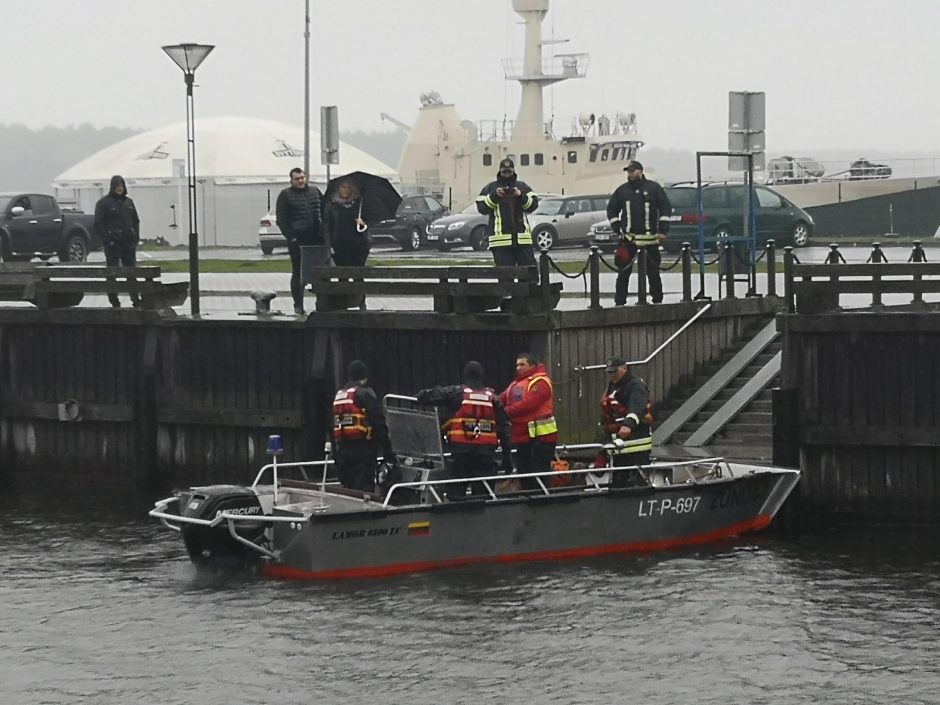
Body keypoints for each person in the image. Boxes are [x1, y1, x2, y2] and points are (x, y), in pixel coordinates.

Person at [416, 361, 513, 501]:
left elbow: (429, 395)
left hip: (461, 454)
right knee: (482, 498)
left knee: (456, 496)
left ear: (465, 376)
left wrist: (420, 396)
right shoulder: (494, 399)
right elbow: (504, 431)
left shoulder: (456, 393)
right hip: (485, 456)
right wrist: (507, 459)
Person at [606, 161, 672, 305]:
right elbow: (611, 210)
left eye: (632, 171)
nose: (629, 174)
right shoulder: (622, 191)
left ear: (640, 172)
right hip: (628, 241)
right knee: (623, 273)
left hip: (650, 242)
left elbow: (665, 208)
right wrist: (617, 228)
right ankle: (620, 302)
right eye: (628, 172)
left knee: (653, 273)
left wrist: (663, 231)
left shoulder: (654, 188)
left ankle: (657, 301)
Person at [331, 360, 397, 493]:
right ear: (365, 376)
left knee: (349, 492)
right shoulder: (365, 394)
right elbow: (379, 424)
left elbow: (333, 427)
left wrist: (335, 455)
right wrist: (388, 452)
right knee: (364, 492)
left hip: (342, 452)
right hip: (362, 452)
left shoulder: (339, 396)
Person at [499, 352, 557, 490]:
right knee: (524, 472)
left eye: (522, 364)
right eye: (517, 365)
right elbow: (501, 399)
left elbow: (528, 404)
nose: (518, 368)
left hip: (542, 437)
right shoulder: (514, 384)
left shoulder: (541, 382)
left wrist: (505, 412)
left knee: (539, 472)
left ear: (533, 365)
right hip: (522, 437)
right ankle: (528, 500)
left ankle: (541, 502)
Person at [595, 356, 654, 488]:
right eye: (609, 373)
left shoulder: (635, 385)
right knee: (619, 481)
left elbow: (637, 408)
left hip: (636, 444)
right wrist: (603, 449)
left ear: (624, 368)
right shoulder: (612, 387)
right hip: (619, 446)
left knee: (637, 482)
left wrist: (628, 425)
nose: (612, 376)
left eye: (614, 372)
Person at [275, 167, 323, 314]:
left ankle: (322, 303)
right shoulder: (285, 195)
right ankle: (298, 304)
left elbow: (324, 210)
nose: (301, 181)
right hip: (298, 240)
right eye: (297, 179)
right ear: (291, 180)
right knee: (298, 272)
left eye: (302, 177)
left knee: (320, 273)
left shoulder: (315, 191)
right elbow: (282, 219)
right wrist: (292, 237)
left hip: (317, 239)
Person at [475, 158, 539, 266]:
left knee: (528, 276)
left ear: (513, 171)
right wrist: (495, 196)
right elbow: (481, 208)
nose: (507, 175)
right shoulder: (490, 188)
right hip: (500, 243)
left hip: (523, 241)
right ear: (500, 172)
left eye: (509, 172)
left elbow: (533, 205)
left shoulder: (522, 187)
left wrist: (520, 196)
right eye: (504, 172)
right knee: (506, 279)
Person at [94, 175, 141, 308]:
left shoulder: (129, 202)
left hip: (128, 242)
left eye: (122, 186)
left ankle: (135, 299)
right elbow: (98, 224)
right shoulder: (104, 203)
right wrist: (108, 241)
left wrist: (136, 236)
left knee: (131, 272)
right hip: (113, 244)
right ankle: (114, 300)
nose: (120, 188)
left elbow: (136, 221)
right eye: (117, 186)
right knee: (112, 272)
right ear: (112, 187)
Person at [324, 178, 371, 267]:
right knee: (342, 275)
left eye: (349, 188)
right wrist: (328, 245)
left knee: (358, 275)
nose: (345, 190)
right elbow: (327, 226)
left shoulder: (359, 205)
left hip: (358, 246)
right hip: (339, 245)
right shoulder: (332, 206)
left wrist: (363, 224)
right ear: (338, 189)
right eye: (343, 187)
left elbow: (368, 225)